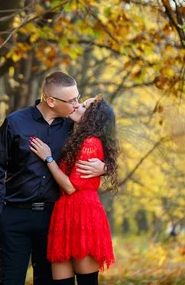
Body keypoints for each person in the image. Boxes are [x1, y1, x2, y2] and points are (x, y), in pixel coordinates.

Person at [0, 72, 106, 285]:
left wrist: (105, 167)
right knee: (10, 281)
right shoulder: (15, 123)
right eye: (71, 101)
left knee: (47, 281)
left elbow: (105, 144)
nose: (76, 105)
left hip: (53, 218)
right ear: (50, 101)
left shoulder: (73, 128)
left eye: (77, 98)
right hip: (15, 216)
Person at [30, 96, 119, 285]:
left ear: (92, 118)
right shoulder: (74, 135)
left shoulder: (91, 143)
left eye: (84, 106)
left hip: (83, 213)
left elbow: (70, 187)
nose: (77, 105)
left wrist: (48, 159)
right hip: (64, 212)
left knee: (87, 282)